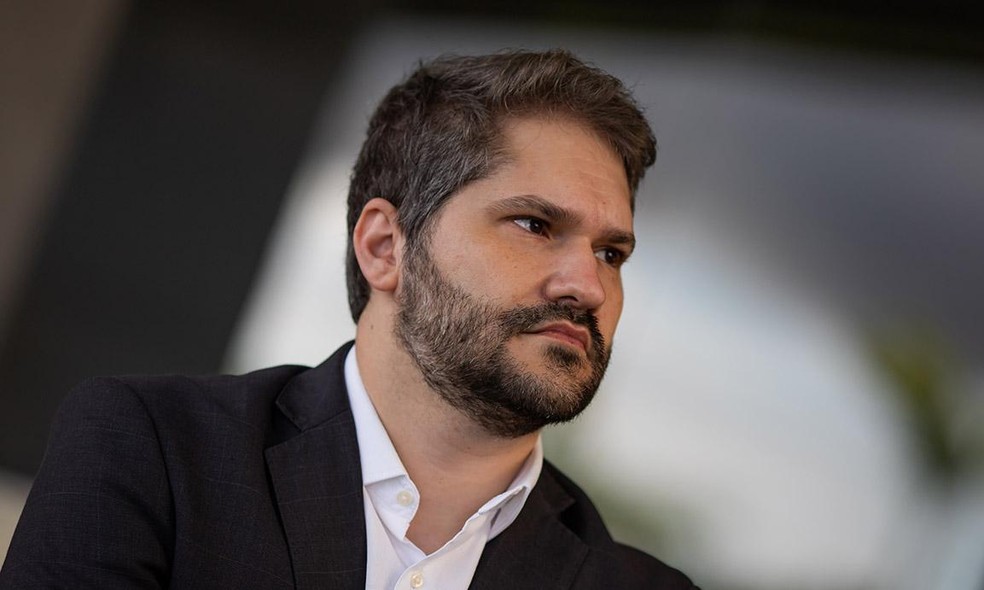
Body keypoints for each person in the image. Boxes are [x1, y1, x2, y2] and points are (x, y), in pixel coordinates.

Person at [0, 49, 697, 589]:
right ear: (385, 248)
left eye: (611, 253)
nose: (589, 286)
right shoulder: (156, 453)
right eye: (534, 224)